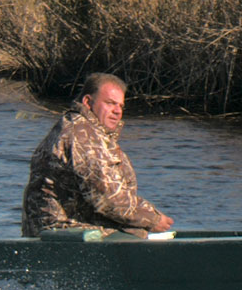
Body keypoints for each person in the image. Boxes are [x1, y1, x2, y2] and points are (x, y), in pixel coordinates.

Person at [20, 72, 175, 238]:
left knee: (136, 232)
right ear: (88, 102)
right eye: (110, 103)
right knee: (137, 235)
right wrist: (152, 219)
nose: (117, 111)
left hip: (73, 231)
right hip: (66, 234)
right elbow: (107, 198)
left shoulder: (88, 131)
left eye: (121, 106)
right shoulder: (82, 135)